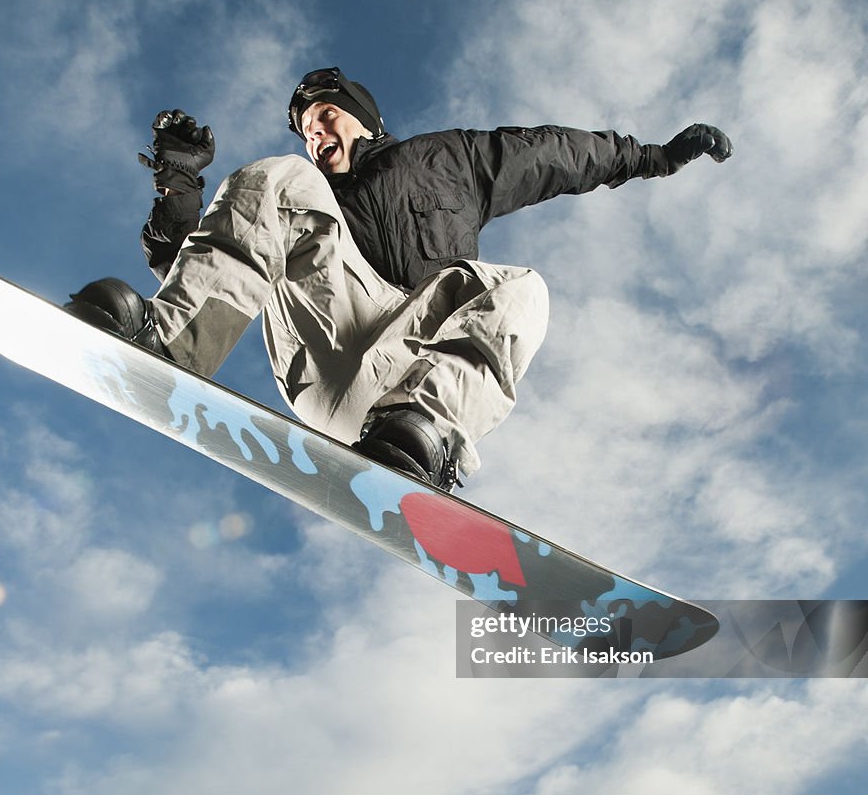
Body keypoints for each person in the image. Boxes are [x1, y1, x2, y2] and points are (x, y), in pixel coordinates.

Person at [67, 68, 732, 490]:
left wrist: (654, 158)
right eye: (306, 128)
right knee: (275, 179)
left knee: (520, 288)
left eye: (326, 116)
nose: (316, 134)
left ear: (363, 116)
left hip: (410, 371)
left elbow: (554, 156)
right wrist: (179, 182)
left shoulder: (453, 160)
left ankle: (420, 433)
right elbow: (199, 254)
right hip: (326, 349)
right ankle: (172, 345)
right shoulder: (306, 194)